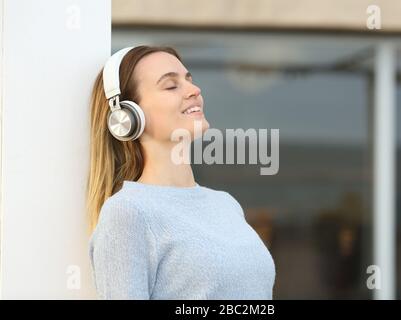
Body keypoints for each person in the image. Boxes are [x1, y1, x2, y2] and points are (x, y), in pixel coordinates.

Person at [86, 45, 276, 299]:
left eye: (189, 79)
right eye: (171, 85)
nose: (194, 90)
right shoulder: (128, 212)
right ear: (127, 116)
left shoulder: (226, 204)